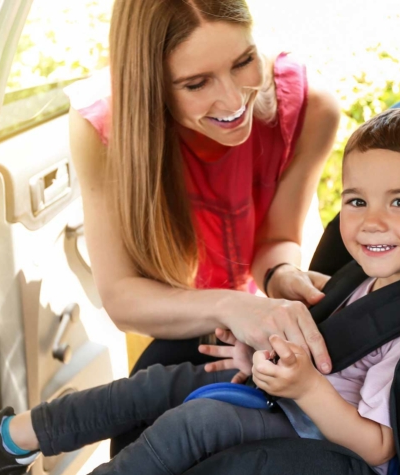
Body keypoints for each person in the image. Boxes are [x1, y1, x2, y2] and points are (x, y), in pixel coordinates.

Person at [0, 108, 400, 475]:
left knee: (196, 422)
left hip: (317, 437)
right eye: (355, 201)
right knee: (155, 382)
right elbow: (334, 350)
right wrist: (257, 354)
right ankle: (6, 440)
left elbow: (377, 447)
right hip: (288, 397)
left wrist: (302, 387)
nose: (371, 222)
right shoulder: (365, 278)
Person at [68, 0, 340, 373]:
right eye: (196, 83)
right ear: (152, 86)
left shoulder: (310, 108)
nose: (233, 100)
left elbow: (275, 238)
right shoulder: (101, 129)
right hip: (165, 317)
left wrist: (279, 275)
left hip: (255, 309)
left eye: (244, 61)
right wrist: (229, 306)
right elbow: (121, 296)